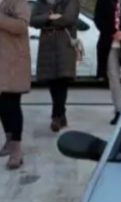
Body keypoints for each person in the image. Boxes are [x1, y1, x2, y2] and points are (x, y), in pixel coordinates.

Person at [30, 0, 80, 133]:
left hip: (64, 47)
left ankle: (56, 116)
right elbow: (32, 20)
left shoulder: (70, 1)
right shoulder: (41, 3)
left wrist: (46, 23)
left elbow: (68, 19)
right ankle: (60, 115)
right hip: (47, 47)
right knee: (52, 82)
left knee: (62, 81)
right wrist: (49, 17)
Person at [0, 0, 31, 170]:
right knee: (2, 106)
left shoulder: (18, 2)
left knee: (11, 104)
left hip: (14, 63)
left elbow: (21, 26)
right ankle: (9, 140)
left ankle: (16, 150)